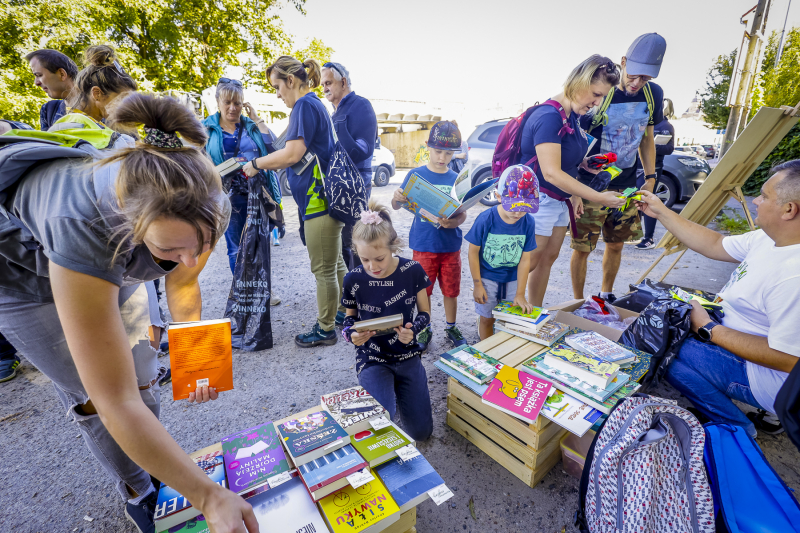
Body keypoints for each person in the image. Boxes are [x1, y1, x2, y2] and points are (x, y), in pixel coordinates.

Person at [0, 93, 257, 533]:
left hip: (104, 251)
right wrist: (210, 496)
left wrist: (196, 356)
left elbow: (184, 281)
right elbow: (114, 400)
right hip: (23, 279)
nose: (189, 259)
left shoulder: (203, 201)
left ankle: (156, 458)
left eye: (199, 246)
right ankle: (139, 489)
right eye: (169, 250)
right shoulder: (82, 224)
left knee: (143, 373)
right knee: (94, 393)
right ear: (131, 227)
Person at [635, 160, 800, 438]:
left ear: (789, 209)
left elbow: (788, 360)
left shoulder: (793, 276)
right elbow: (713, 244)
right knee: (663, 325)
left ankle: (737, 428)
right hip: (732, 335)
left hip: (771, 379)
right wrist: (660, 211)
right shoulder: (770, 239)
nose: (756, 201)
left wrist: (710, 329)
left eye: (764, 196)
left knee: (664, 348)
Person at [243, 56, 346, 348]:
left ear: (290, 81)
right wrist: (260, 123)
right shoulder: (313, 104)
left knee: (324, 270)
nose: (277, 94)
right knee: (335, 263)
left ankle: (326, 329)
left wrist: (255, 164)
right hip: (325, 202)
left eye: (277, 86)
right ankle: (342, 312)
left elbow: (290, 155)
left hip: (318, 203)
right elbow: (283, 146)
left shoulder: (303, 106)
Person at [522, 55, 626, 307]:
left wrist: (580, 174)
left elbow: (565, 163)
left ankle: (533, 313)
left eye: (602, 97)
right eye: (595, 94)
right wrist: (599, 197)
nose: (597, 103)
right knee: (528, 262)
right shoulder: (550, 116)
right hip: (540, 200)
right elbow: (551, 173)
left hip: (558, 199)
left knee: (547, 259)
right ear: (578, 82)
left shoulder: (571, 116)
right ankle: (503, 316)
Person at [570, 34, 667, 302]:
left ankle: (606, 294)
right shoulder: (601, 91)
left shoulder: (653, 94)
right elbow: (575, 139)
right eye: (634, 75)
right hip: (590, 186)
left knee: (616, 244)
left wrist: (649, 178)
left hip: (625, 186)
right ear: (624, 62)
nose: (637, 83)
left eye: (645, 79)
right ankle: (579, 301)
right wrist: (573, 189)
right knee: (583, 248)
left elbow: (647, 138)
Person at [340, 201, 433, 441]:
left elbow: (425, 314)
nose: (372, 267)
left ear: (393, 246)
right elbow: (347, 321)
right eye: (364, 260)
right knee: (380, 427)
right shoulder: (352, 279)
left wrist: (413, 332)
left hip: (407, 353)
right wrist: (352, 336)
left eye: (379, 259)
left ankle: (401, 398)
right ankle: (386, 395)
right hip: (372, 357)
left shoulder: (412, 270)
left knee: (421, 433)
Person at [391, 121, 468, 350]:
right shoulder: (416, 174)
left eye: (448, 153)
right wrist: (396, 197)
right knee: (423, 291)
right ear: (428, 147)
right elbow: (396, 205)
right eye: (437, 151)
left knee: (451, 290)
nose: (442, 157)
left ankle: (451, 326)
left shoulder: (456, 179)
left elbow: (462, 216)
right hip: (424, 245)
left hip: (450, 246)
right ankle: (424, 328)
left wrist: (451, 222)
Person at [202, 77, 281, 277]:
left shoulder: (251, 126)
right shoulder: (206, 129)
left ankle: (260, 292)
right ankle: (242, 292)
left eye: (237, 103)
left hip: (257, 192)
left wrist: (257, 119)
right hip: (227, 196)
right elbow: (197, 162)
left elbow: (274, 150)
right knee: (236, 247)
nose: (232, 108)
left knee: (259, 243)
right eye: (227, 102)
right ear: (218, 102)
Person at [466, 165, 538, 340]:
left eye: (525, 207)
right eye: (513, 206)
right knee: (486, 319)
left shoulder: (528, 222)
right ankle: (486, 352)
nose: (519, 212)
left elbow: (525, 259)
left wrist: (520, 293)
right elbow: (472, 253)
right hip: (487, 279)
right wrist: (477, 285)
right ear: (498, 196)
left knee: (509, 322)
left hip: (513, 281)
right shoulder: (485, 219)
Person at [321, 61, 378, 271]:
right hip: (337, 188)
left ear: (343, 82)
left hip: (356, 187)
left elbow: (363, 151)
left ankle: (362, 293)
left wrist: (340, 126)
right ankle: (351, 293)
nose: (325, 88)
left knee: (357, 243)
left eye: (329, 82)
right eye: (322, 85)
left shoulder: (360, 105)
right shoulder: (335, 112)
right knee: (343, 246)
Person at [633, 97, 675, 249]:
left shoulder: (666, 125)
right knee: (633, 200)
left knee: (646, 201)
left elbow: (669, 149)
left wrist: (650, 145)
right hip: (633, 167)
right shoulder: (641, 120)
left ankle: (648, 238)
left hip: (652, 170)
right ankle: (633, 234)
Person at [62, 44, 138, 126]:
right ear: (96, 93)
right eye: (122, 100)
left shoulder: (70, 122)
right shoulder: (80, 129)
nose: (128, 108)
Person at [25, 49, 77, 130]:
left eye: (39, 75)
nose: (36, 83)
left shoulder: (100, 106)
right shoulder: (48, 110)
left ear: (62, 74)